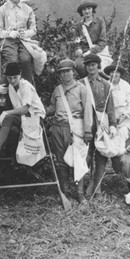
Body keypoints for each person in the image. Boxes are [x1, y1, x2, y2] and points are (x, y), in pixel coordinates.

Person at [45, 59, 93, 202]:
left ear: (74, 72)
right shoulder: (57, 90)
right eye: (62, 72)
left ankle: (79, 194)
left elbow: (87, 111)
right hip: (58, 127)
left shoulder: (81, 88)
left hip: (76, 128)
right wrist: (41, 111)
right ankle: (64, 192)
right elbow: (52, 108)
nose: (65, 74)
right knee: (60, 161)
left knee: (78, 160)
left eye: (68, 71)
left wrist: (87, 130)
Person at [0, 62, 46, 162]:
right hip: (23, 118)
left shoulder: (26, 86)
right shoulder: (11, 87)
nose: (12, 81)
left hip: (35, 117)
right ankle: (1, 152)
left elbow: (25, 109)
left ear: (20, 75)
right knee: (12, 130)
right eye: (9, 78)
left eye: (15, 77)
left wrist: (6, 113)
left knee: (8, 118)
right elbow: (2, 91)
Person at [80, 54, 118, 197]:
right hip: (87, 123)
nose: (91, 67)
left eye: (93, 65)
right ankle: (82, 187)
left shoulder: (105, 84)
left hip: (102, 122)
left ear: (98, 66)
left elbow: (110, 107)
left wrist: (113, 125)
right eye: (88, 65)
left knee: (101, 156)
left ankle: (98, 188)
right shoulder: (81, 84)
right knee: (86, 155)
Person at [0, 0, 36, 84]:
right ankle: (5, 89)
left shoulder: (28, 9)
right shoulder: (3, 9)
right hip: (9, 41)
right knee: (12, 61)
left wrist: (25, 33)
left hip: (24, 40)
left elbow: (33, 29)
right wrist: (9, 34)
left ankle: (28, 88)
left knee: (26, 60)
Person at [73, 0, 111, 77]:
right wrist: (78, 49)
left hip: (99, 51)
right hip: (84, 53)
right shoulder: (79, 26)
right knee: (79, 65)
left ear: (92, 9)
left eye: (89, 8)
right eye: (84, 9)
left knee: (101, 70)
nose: (87, 11)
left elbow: (103, 41)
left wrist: (91, 51)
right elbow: (77, 42)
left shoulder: (100, 21)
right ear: (81, 11)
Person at [104, 61, 130, 127]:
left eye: (116, 72)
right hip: (108, 117)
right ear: (109, 73)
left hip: (124, 118)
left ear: (120, 74)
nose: (114, 74)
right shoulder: (105, 85)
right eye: (112, 72)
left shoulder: (125, 85)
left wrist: (124, 114)